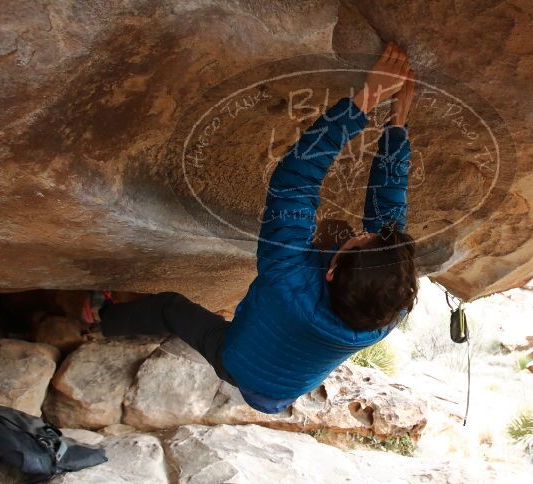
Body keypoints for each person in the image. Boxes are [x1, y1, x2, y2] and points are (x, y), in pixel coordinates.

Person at [88, 43, 418, 414]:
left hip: (238, 366)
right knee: (345, 234)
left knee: (171, 307)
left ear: (329, 271)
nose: (365, 232)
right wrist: (397, 123)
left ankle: (98, 319)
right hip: (286, 391)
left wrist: (367, 97)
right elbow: (388, 216)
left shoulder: (287, 276)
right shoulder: (388, 311)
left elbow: (296, 179)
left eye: (359, 243)